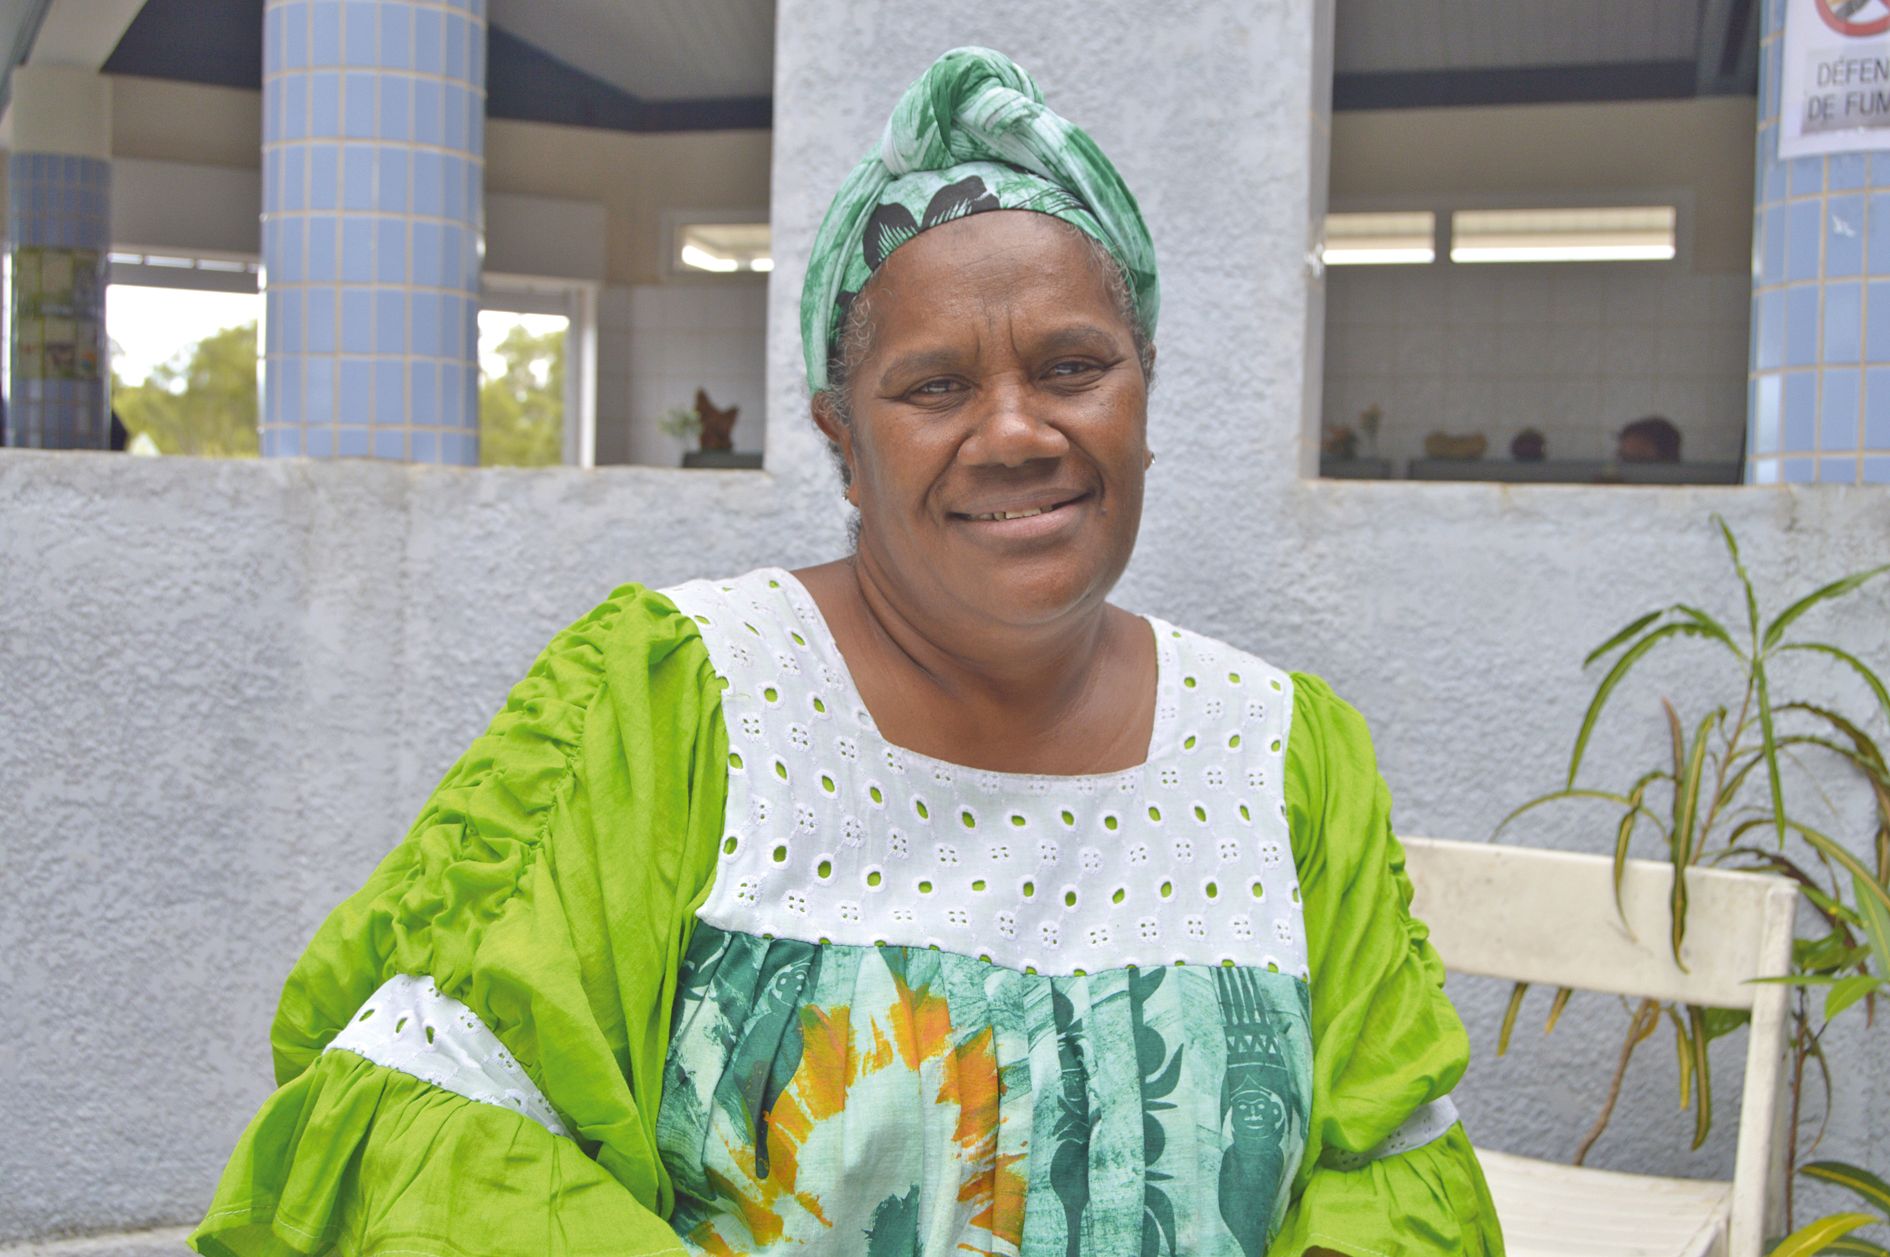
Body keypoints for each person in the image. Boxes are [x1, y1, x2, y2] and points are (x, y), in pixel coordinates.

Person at [190, 48, 1502, 1257]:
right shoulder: (677, 698)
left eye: (1071, 366)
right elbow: (432, 1127)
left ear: (1143, 395)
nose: (1014, 431)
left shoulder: (1281, 749)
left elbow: (1386, 1174)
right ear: (840, 440)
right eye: (934, 386)